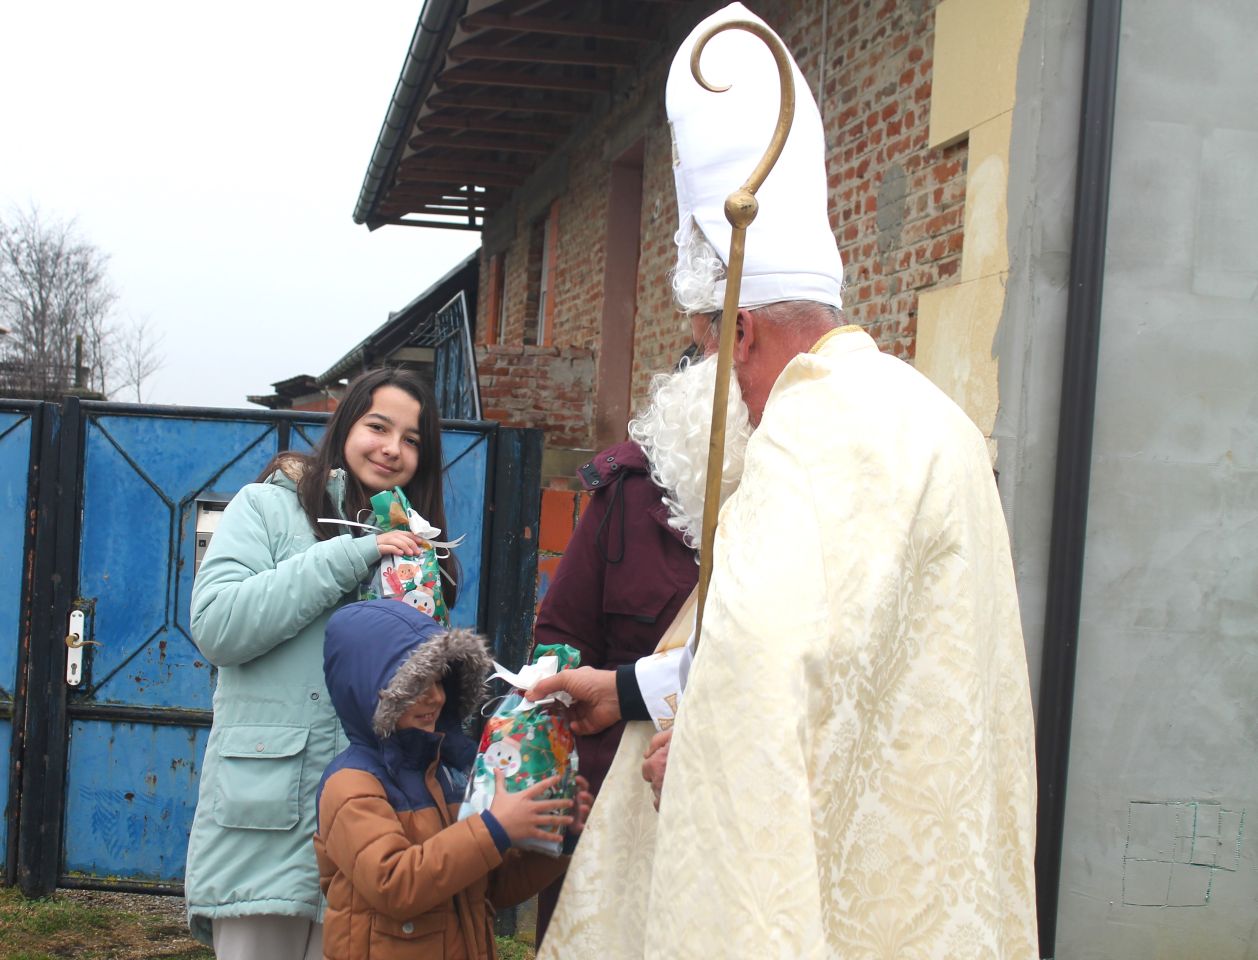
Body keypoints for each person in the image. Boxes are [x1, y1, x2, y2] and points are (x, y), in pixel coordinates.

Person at [530, 4, 1039, 958]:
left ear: (744, 332)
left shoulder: (806, 438)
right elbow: (855, 659)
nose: (733, 390)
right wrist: (637, 690)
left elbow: (760, 686)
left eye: (709, 347)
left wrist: (708, 752)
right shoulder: (933, 419)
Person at [184, 368, 458, 959]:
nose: (392, 448)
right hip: (267, 812)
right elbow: (217, 626)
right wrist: (352, 554)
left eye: (412, 440)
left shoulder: (419, 546)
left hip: (373, 820)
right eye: (378, 427)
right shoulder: (267, 507)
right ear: (344, 428)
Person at [529, 353, 751, 943]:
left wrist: (627, 692)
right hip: (609, 799)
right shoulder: (628, 496)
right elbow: (561, 635)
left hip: (735, 805)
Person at [314, 599, 591, 960]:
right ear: (370, 695)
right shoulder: (350, 785)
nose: (435, 696)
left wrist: (560, 837)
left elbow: (489, 885)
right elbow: (395, 885)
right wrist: (493, 828)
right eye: (415, 686)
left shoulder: (448, 773)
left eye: (440, 682)